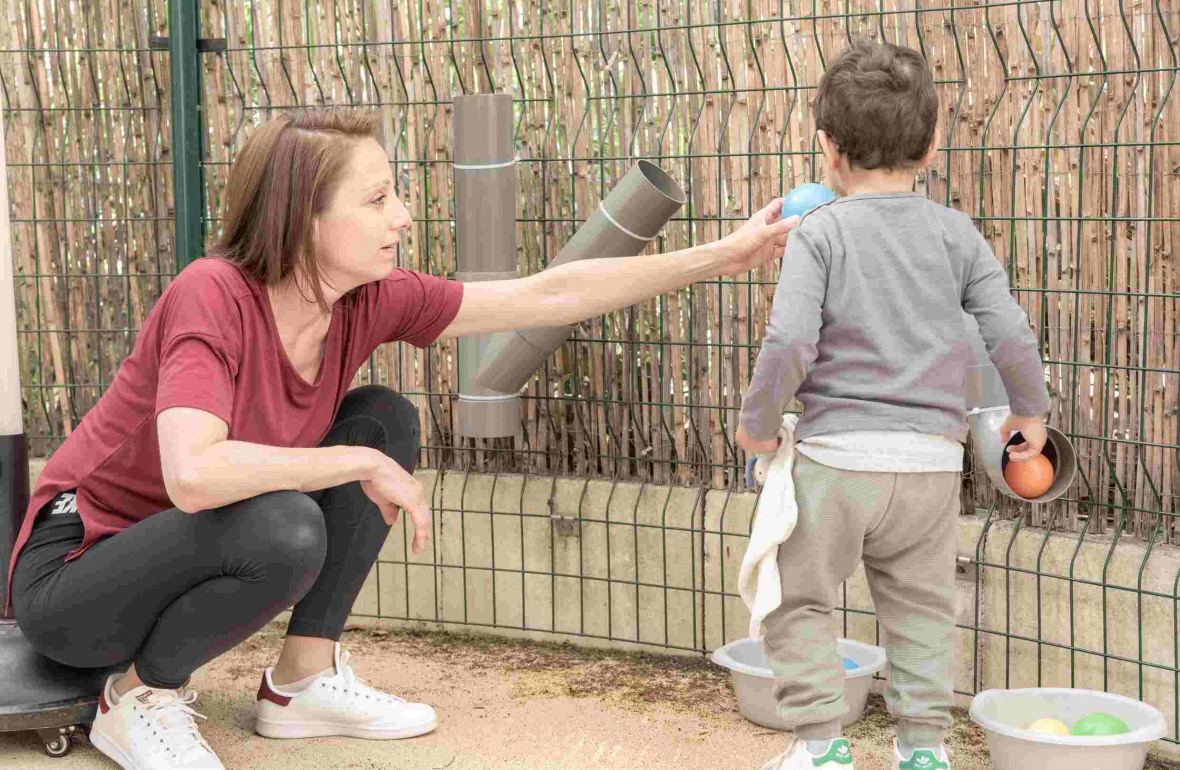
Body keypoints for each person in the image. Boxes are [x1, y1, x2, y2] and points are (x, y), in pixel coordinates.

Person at [6, 108, 796, 770]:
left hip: (179, 553)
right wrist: (355, 461)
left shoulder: (366, 299)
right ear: (302, 218)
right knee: (286, 518)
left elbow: (547, 294)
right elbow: (191, 474)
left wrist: (725, 254)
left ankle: (299, 682)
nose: (403, 215)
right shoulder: (212, 295)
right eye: (378, 198)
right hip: (77, 582)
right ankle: (138, 695)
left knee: (385, 415)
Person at [735, 40, 1050, 770]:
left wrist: (757, 429)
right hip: (930, 468)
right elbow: (1007, 329)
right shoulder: (957, 235)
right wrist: (1027, 413)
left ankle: (819, 745)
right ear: (933, 142)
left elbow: (788, 341)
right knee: (920, 612)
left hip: (836, 462)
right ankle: (924, 749)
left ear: (827, 147)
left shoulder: (820, 232)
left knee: (799, 599)